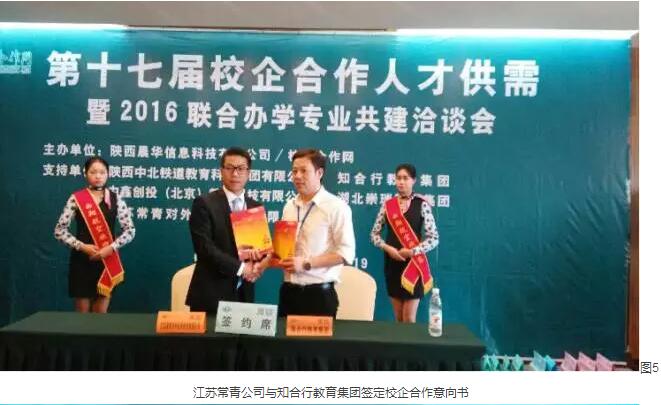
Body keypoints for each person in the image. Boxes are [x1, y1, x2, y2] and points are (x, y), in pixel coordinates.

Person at [186, 147, 271, 313]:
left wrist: (258, 264)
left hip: (244, 294)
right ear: (221, 171)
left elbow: (260, 250)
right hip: (211, 295)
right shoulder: (205, 203)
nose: (235, 173)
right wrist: (241, 268)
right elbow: (204, 248)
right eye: (229, 168)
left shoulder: (255, 207)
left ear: (248, 173)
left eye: (241, 168)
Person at [278, 149, 356, 318]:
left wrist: (306, 263)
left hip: (318, 296)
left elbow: (346, 254)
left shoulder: (336, 207)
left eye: (304, 171)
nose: (297, 176)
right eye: (294, 171)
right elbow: (283, 248)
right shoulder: (289, 206)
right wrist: (262, 262)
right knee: (284, 337)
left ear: (319, 173)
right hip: (288, 292)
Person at [54, 156, 135, 313]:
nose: (98, 176)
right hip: (82, 260)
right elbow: (59, 231)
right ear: (85, 173)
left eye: (102, 172)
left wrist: (111, 248)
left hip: (107, 261)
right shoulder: (76, 199)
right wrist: (82, 246)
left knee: (100, 317)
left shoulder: (116, 198)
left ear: (108, 174)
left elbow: (130, 230)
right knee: (82, 316)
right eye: (93, 172)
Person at [370, 163, 439, 323]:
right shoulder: (388, 205)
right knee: (399, 318)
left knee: (409, 318)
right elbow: (374, 234)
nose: (401, 182)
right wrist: (387, 248)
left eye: (405, 178)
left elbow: (434, 238)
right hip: (392, 264)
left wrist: (413, 251)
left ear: (414, 180)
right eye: (398, 178)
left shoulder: (422, 204)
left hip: (413, 265)